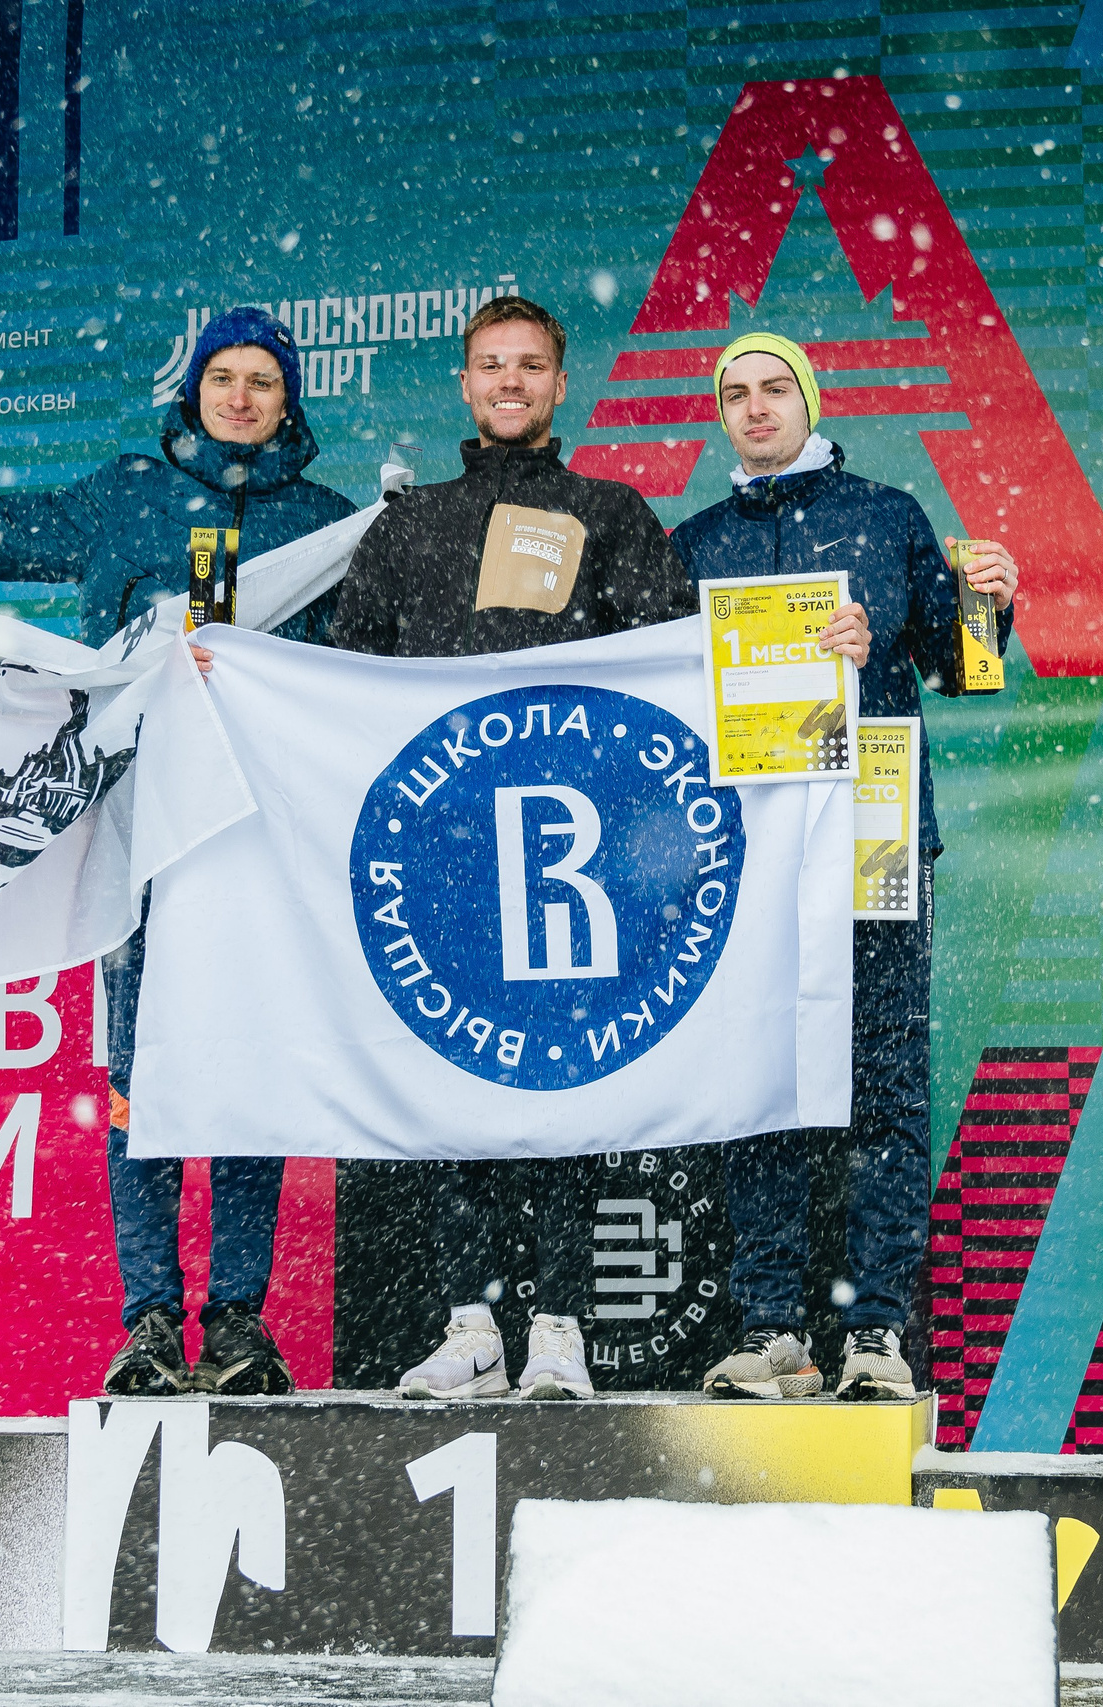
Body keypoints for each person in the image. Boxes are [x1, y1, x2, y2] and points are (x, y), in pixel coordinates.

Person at [0, 305, 355, 1397]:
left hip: (255, 844)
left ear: (290, 402)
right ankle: (146, 1322)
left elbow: (371, 667)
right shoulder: (126, 497)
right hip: (133, 834)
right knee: (137, 1083)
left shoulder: (325, 523)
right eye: (223, 377)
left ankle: (236, 1321)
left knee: (246, 1080)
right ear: (193, 392)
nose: (240, 397)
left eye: (262, 383)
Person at [329, 297, 872, 1401]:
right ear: (465, 384)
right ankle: (473, 1321)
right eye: (492, 366)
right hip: (446, 860)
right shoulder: (405, 526)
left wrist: (814, 659)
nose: (511, 383)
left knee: (574, 1087)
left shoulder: (612, 515)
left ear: (559, 384)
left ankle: (562, 1330)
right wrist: (234, 672)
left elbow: (679, 670)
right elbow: (342, 682)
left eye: (531, 366)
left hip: (578, 870)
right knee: (458, 1087)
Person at [670, 332, 1018, 1402]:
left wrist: (991, 603)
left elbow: (964, 670)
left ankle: (875, 1332)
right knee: (758, 1081)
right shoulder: (693, 544)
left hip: (874, 833)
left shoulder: (886, 514)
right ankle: (773, 1326)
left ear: (810, 402)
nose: (756, 408)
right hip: (745, 851)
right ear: (719, 413)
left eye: (775, 389)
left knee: (883, 1087)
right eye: (735, 394)